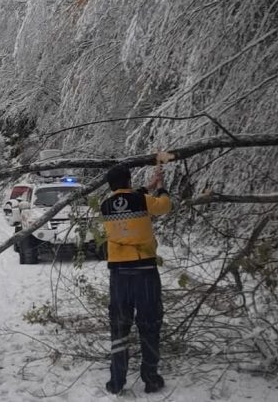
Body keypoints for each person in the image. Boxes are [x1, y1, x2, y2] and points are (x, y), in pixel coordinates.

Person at [100, 164, 171, 394]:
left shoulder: (105, 205)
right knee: (149, 324)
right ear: (129, 181)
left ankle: (117, 381)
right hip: (144, 271)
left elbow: (128, 199)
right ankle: (150, 378)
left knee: (119, 325)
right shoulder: (142, 200)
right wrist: (160, 187)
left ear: (111, 186)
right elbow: (164, 206)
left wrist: (145, 187)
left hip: (119, 274)